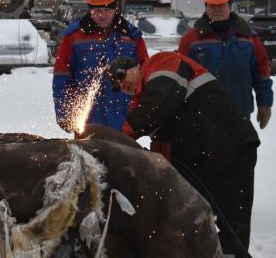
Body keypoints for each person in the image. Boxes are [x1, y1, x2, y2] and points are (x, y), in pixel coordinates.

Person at [108, 52, 260, 257]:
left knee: (232, 224)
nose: (123, 87)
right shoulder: (144, 104)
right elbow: (163, 149)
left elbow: (161, 101)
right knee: (193, 219)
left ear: (135, 66)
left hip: (230, 144)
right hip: (204, 159)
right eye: (118, 87)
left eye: (121, 77)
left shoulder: (161, 63)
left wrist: (118, 135)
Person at [52, 0, 148, 132]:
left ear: (115, 9)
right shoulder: (74, 37)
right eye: (97, 11)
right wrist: (64, 113)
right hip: (87, 118)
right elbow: (61, 77)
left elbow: (145, 75)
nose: (102, 15)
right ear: (90, 9)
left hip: (123, 118)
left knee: (121, 155)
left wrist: (140, 113)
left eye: (107, 10)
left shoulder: (131, 36)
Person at [178, 0, 273, 129]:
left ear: (230, 5)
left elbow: (261, 73)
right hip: (203, 117)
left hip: (239, 112)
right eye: (212, 5)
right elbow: (180, 78)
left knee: (241, 152)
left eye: (221, 5)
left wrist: (265, 103)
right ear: (206, 6)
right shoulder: (190, 39)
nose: (217, 9)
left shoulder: (248, 37)